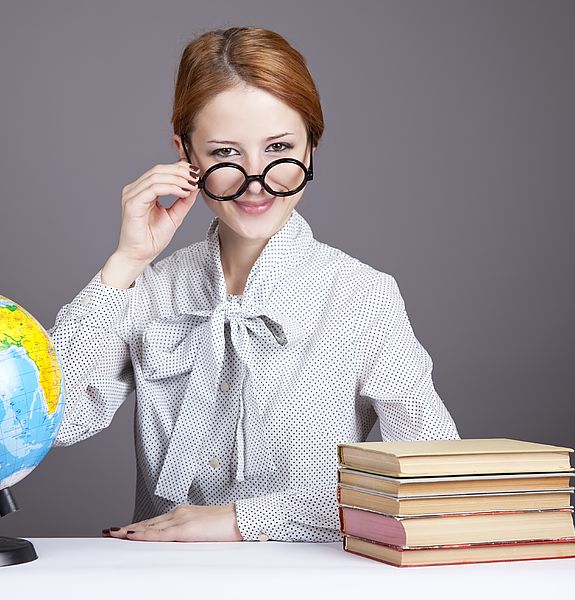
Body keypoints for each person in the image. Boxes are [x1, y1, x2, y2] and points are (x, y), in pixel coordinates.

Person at [47, 26, 459, 544]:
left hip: (313, 579)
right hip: (160, 579)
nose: (257, 180)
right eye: (225, 154)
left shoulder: (361, 297)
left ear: (312, 146)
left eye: (280, 148)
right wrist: (125, 263)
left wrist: (246, 521)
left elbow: (433, 479)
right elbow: (52, 420)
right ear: (186, 156)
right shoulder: (154, 290)